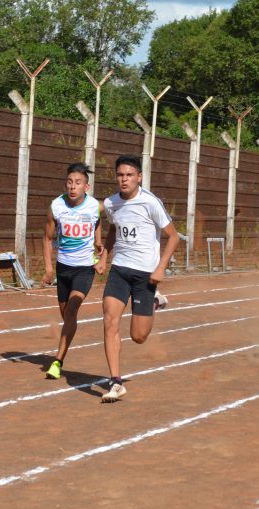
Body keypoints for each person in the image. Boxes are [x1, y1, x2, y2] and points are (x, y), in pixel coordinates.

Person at [100, 154, 180, 402]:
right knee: (109, 320)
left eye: (129, 175)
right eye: (120, 175)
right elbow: (113, 228)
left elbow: (174, 236)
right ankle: (116, 382)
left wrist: (160, 268)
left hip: (146, 274)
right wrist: (104, 256)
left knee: (138, 336)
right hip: (120, 270)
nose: (124, 179)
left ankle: (154, 301)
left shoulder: (150, 202)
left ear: (139, 177)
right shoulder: (111, 203)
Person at [41, 163, 106, 379]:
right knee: (67, 316)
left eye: (78, 183)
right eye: (69, 182)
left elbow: (99, 221)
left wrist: (98, 243)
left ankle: (57, 361)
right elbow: (47, 238)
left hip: (84, 268)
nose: (72, 186)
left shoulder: (95, 206)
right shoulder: (56, 206)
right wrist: (48, 268)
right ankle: (66, 343)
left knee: (70, 312)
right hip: (63, 268)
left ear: (86, 187)